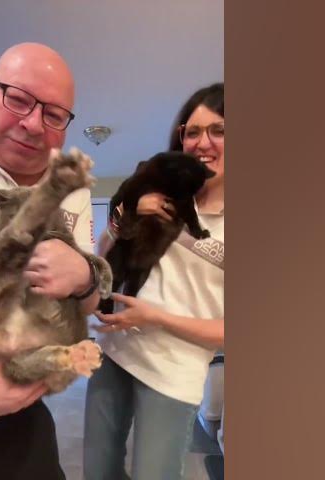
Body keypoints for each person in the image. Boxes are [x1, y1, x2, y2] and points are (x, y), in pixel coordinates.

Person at [0, 42, 101, 480]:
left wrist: (84, 277)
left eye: (54, 114)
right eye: (18, 98)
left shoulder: (75, 188)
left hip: (21, 418)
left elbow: (89, 303)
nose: (34, 124)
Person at [83, 83, 225, 480]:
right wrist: (127, 214)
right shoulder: (162, 187)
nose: (202, 142)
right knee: (98, 472)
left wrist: (156, 318)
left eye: (219, 130)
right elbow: (105, 252)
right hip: (114, 352)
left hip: (173, 373)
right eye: (192, 132)